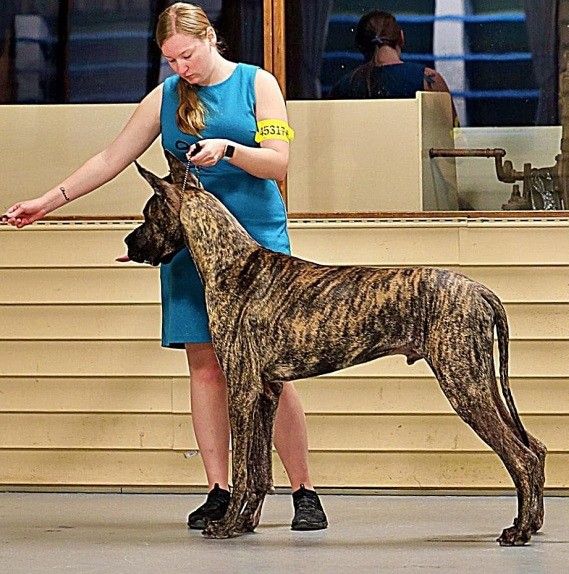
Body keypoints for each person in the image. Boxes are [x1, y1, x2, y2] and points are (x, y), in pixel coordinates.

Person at [1, 2, 327, 532]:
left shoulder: (257, 83)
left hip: (256, 247)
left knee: (268, 371)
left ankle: (304, 491)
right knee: (205, 366)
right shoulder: (167, 96)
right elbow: (110, 159)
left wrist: (228, 150)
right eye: (171, 60)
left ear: (210, 38)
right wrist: (47, 202)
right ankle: (219, 490)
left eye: (187, 55)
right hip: (188, 250)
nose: (181, 68)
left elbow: (278, 162)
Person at [330, 10, 458, 125]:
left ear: (360, 45)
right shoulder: (428, 79)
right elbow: (453, 133)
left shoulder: (343, 86)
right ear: (401, 37)